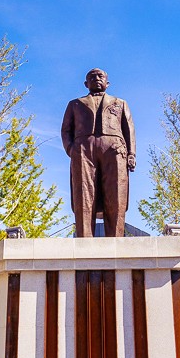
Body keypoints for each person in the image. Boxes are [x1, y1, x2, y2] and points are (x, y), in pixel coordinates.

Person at [60, 68, 136, 237]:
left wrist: (131, 153)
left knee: (116, 193)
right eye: (91, 77)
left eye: (100, 76)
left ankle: (115, 239)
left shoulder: (120, 102)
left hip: (115, 149)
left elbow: (129, 128)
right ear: (86, 84)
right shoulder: (75, 104)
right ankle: (84, 240)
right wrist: (71, 149)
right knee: (83, 194)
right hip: (83, 149)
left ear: (107, 83)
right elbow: (65, 130)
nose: (96, 78)